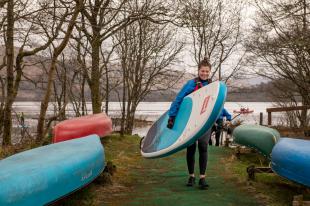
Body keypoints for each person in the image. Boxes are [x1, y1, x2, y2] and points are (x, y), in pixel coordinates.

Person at [167, 57, 212, 189]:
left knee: (203, 146)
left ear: (209, 72)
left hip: (205, 121)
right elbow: (179, 99)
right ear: (198, 71)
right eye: (202, 71)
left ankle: (202, 178)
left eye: (207, 71)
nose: (204, 73)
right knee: (191, 148)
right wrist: (172, 117)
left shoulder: (212, 86)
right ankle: (191, 176)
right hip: (191, 121)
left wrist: (223, 117)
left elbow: (215, 104)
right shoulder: (191, 84)